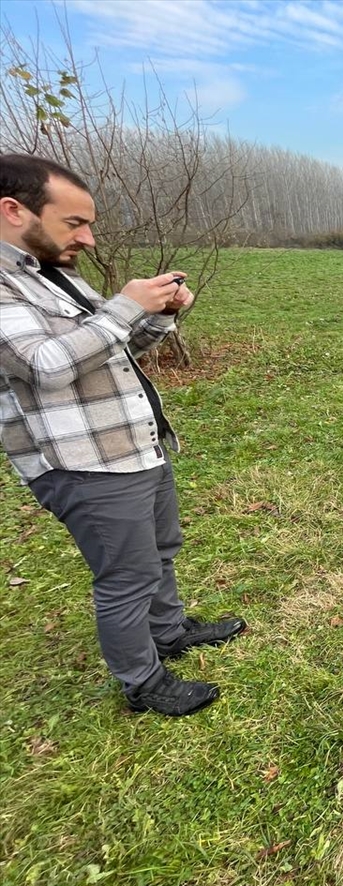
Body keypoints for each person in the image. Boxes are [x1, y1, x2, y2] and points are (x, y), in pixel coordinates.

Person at [0, 154, 245, 717]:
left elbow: (105, 353)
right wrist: (125, 306)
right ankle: (142, 682)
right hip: (85, 464)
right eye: (73, 223)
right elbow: (45, 366)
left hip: (131, 445)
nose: (87, 237)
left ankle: (168, 630)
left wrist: (155, 318)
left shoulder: (49, 271)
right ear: (14, 211)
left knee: (160, 551)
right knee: (126, 575)